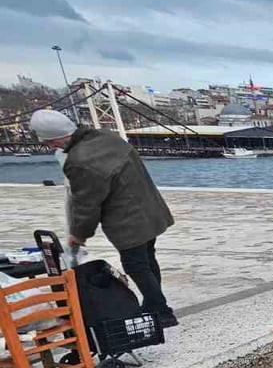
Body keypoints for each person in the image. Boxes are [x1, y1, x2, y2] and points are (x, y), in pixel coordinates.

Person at [29, 109, 178, 328]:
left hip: (127, 219)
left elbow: (86, 203)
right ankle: (153, 302)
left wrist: (79, 235)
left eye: (52, 143)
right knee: (147, 259)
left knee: (136, 265)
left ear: (62, 136)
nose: (54, 148)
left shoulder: (80, 160)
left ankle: (162, 311)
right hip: (149, 208)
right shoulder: (107, 136)